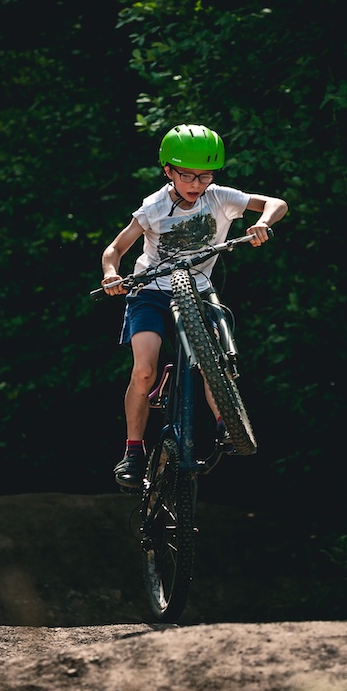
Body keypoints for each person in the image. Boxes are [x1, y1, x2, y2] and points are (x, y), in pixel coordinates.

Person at [100, 124, 288, 488]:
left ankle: (227, 425)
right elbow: (116, 248)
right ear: (168, 170)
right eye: (187, 175)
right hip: (151, 291)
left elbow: (274, 203)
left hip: (198, 291)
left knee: (211, 361)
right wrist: (111, 274)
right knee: (144, 369)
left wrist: (262, 223)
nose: (196, 184)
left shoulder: (219, 197)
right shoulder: (153, 207)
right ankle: (133, 449)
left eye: (205, 175)